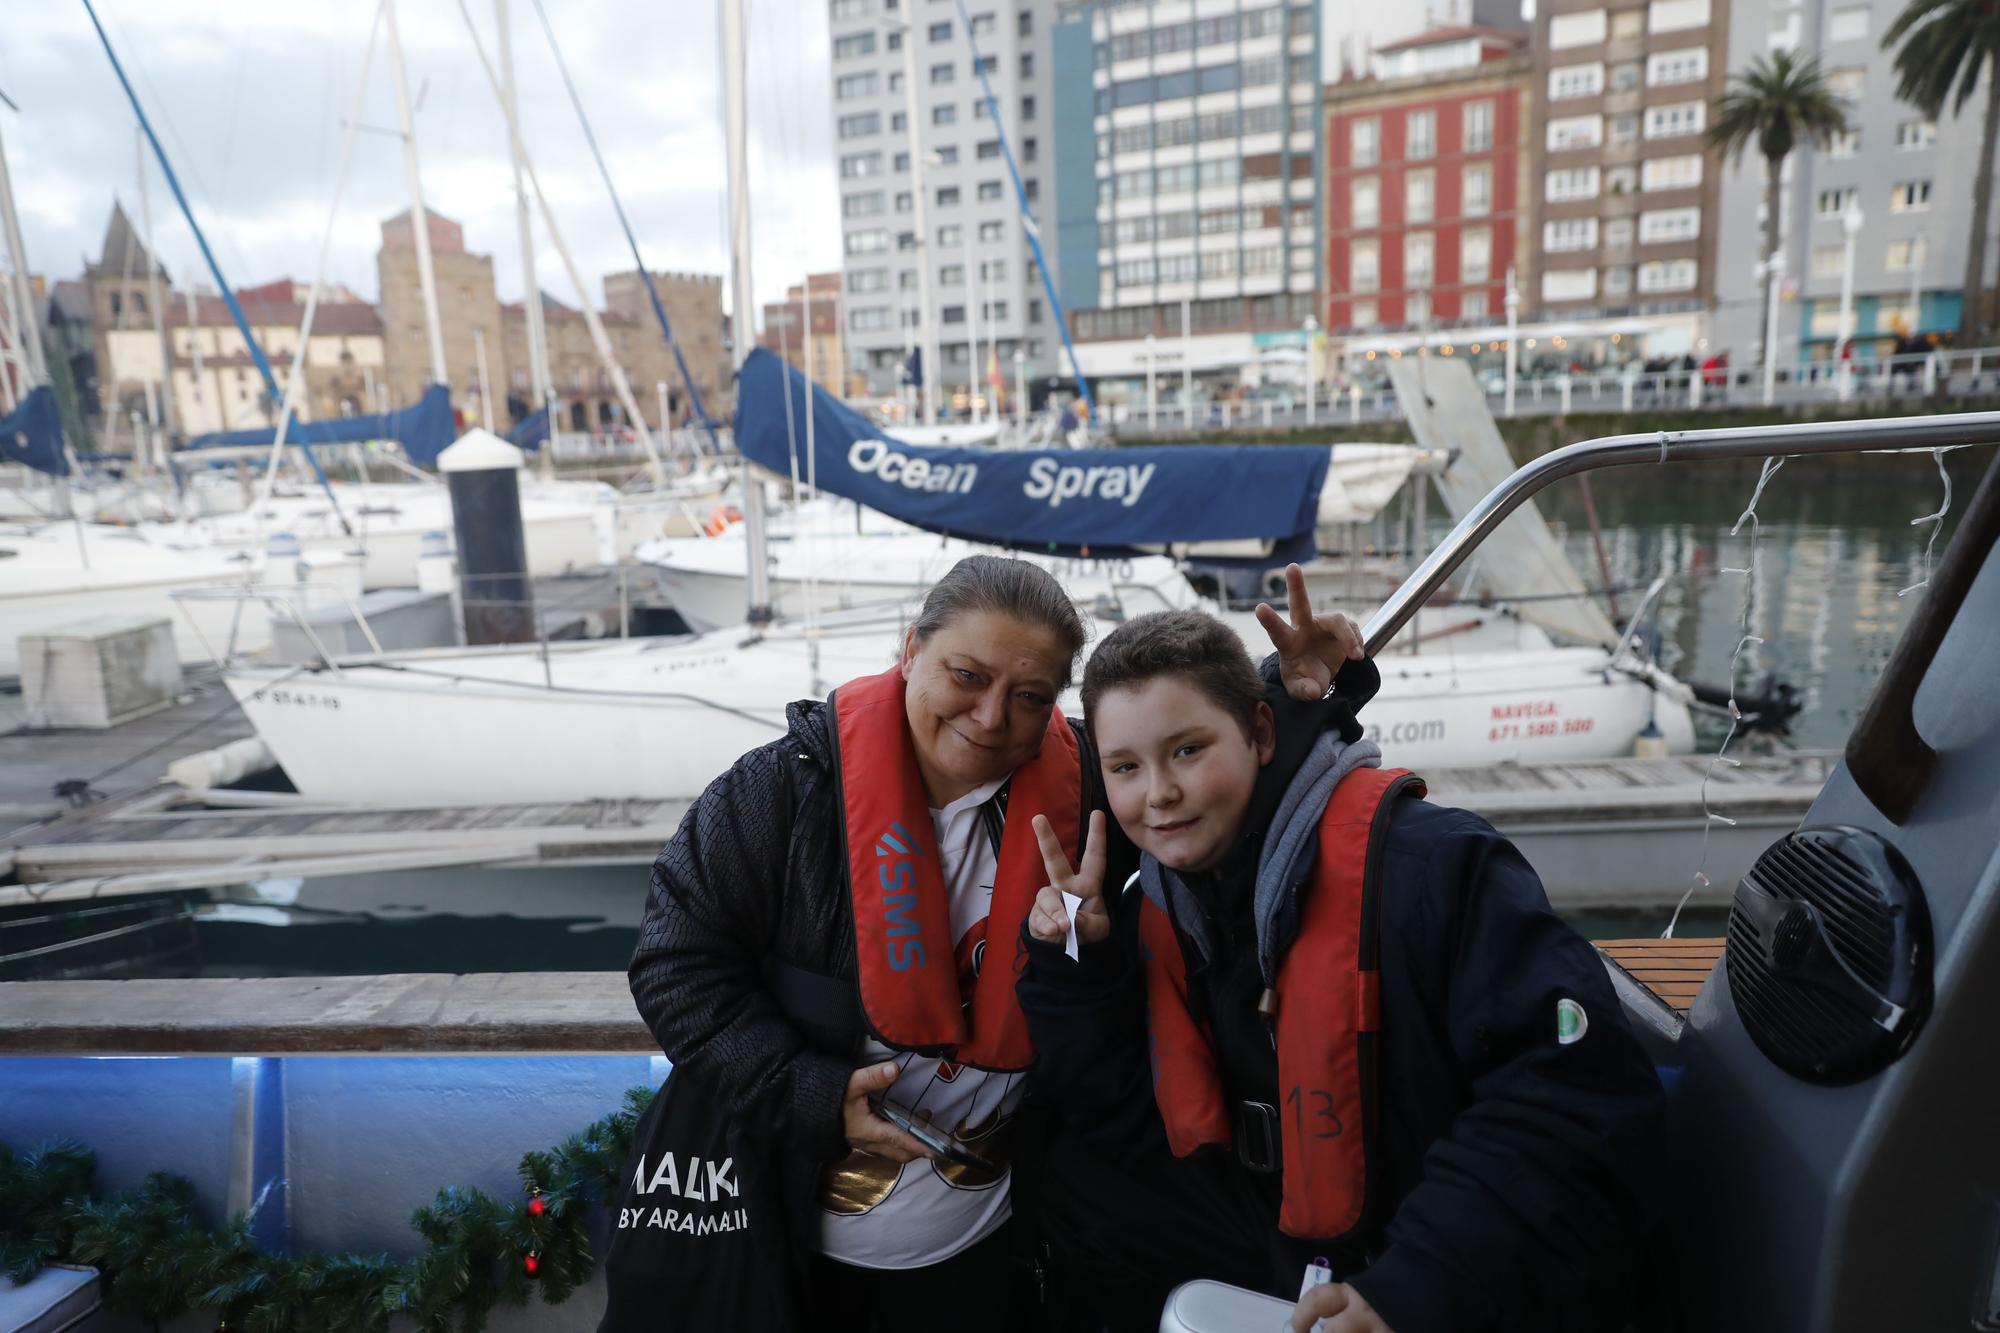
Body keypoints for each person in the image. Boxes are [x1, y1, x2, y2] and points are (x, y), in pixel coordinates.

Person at [602, 557, 1362, 1332]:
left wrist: (1298, 696)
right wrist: (809, 1090)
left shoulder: (1089, 790)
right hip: (784, 1231)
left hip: (984, 1243)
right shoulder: (782, 792)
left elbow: (1203, 770)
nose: (993, 716)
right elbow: (673, 960)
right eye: (966, 674)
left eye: (1030, 697)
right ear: (909, 652)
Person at [1017, 601, 1665, 1333]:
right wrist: (1076, 964)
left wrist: (1416, 1285)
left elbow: (1576, 1094)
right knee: (1074, 1189)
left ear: (1261, 733)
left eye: (1189, 750)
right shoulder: (1159, 898)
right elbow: (1120, 1114)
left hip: (1425, 1248)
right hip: (1279, 1224)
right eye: (1126, 767)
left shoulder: (1433, 869)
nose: (1159, 792)